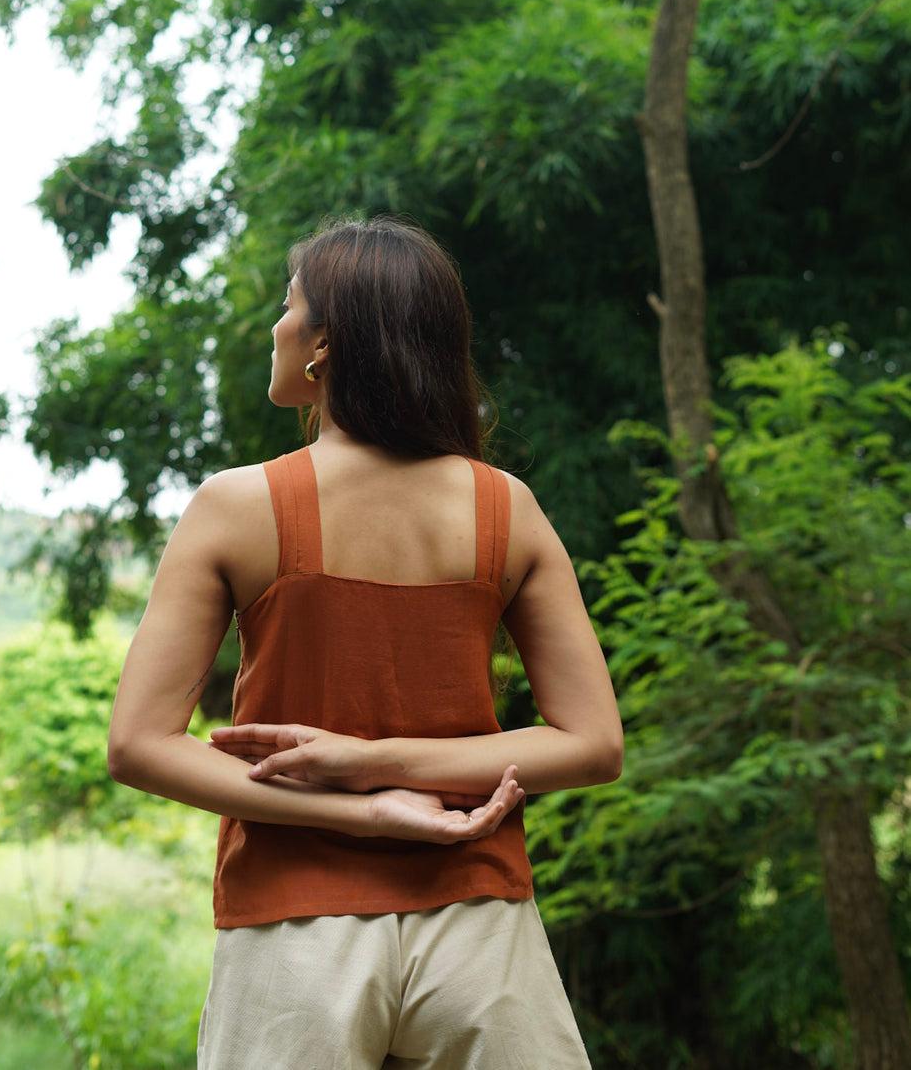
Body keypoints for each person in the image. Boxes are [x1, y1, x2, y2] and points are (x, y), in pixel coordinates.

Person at [107, 216, 623, 1069]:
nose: (275, 324)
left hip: (294, 936)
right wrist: (382, 770)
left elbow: (138, 743)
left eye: (289, 302)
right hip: (481, 932)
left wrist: (360, 783)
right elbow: (593, 742)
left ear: (323, 345)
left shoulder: (238, 507)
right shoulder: (507, 508)